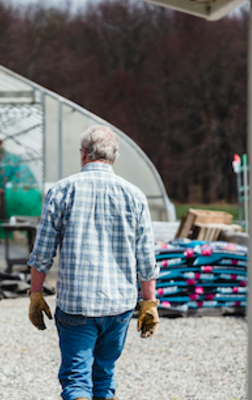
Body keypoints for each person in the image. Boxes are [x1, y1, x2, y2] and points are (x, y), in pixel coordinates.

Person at [27, 125, 160, 400]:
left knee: (76, 380)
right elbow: (145, 257)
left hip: (76, 304)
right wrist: (149, 302)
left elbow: (42, 253)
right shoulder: (135, 196)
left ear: (84, 153)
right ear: (113, 157)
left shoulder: (61, 191)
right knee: (104, 375)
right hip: (118, 305)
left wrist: (36, 294)